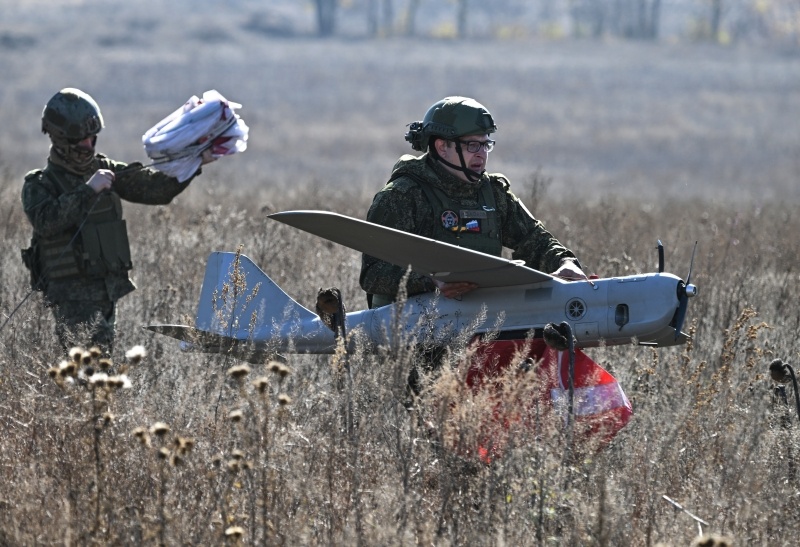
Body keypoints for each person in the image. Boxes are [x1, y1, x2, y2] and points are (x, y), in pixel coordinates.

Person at [21, 87, 215, 354]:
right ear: (61, 140)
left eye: (92, 139)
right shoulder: (40, 184)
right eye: (81, 140)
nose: (89, 146)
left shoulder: (105, 169)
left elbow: (155, 190)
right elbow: (46, 222)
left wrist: (195, 162)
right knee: (93, 365)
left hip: (107, 290)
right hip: (71, 296)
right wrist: (88, 190)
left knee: (96, 365)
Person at [360, 96, 587, 309]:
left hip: (481, 323)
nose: (481, 154)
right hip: (411, 327)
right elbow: (373, 273)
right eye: (472, 145)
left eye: (486, 145)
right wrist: (430, 281)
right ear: (442, 147)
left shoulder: (494, 194)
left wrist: (564, 262)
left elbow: (535, 240)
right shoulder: (402, 196)